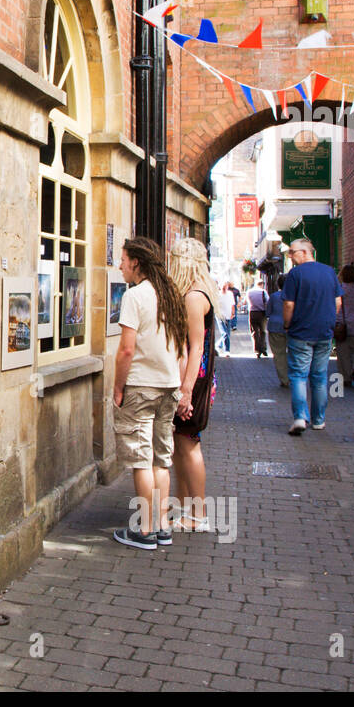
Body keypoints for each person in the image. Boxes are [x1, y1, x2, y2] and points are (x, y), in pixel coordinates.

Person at [111, 236, 187, 550]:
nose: (120, 265)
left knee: (141, 460)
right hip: (169, 386)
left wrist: (117, 386)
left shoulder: (135, 296)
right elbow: (182, 346)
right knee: (161, 459)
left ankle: (144, 530)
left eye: (124, 260)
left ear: (136, 263)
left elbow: (126, 350)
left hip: (141, 386)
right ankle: (162, 527)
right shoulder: (170, 294)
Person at [168, 238, 219, 533]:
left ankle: (197, 514)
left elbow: (197, 347)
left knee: (188, 446)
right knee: (181, 445)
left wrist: (185, 392)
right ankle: (185, 507)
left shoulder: (193, 297)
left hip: (193, 380)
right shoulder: (197, 292)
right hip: (194, 377)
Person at [282, 238, 341, 435]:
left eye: (293, 252)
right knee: (319, 377)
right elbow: (338, 301)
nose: (290, 256)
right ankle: (318, 420)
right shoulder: (329, 272)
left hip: (300, 332)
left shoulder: (295, 274)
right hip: (324, 332)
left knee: (298, 375)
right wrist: (329, 319)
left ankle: (300, 417)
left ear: (306, 252)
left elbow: (289, 304)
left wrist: (287, 323)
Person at [266, 275, 289, 387]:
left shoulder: (274, 296)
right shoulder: (295, 296)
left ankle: (284, 379)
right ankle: (295, 377)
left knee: (279, 354)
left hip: (275, 327)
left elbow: (268, 312)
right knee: (294, 353)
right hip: (292, 327)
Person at [247, 277, 269, 357]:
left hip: (252, 313)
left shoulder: (249, 292)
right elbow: (267, 302)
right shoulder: (263, 292)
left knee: (254, 332)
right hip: (262, 313)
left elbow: (247, 302)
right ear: (262, 284)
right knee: (263, 331)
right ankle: (263, 349)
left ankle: (257, 350)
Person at [216, 282, 236, 356]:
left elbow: (233, 304)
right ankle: (227, 350)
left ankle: (218, 345)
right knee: (224, 333)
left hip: (228, 316)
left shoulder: (230, 294)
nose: (224, 288)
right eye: (223, 287)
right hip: (220, 316)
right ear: (220, 287)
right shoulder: (217, 294)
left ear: (227, 287)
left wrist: (233, 313)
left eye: (225, 287)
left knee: (227, 334)